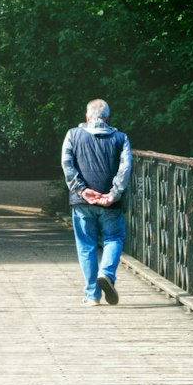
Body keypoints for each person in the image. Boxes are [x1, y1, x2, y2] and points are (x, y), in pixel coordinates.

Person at [61, 99, 132, 306]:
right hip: (110, 203)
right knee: (114, 239)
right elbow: (125, 169)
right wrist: (113, 194)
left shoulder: (72, 135)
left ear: (87, 116)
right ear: (108, 118)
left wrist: (82, 190)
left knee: (86, 246)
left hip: (82, 202)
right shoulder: (121, 138)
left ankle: (92, 295)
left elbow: (67, 165)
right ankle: (107, 273)